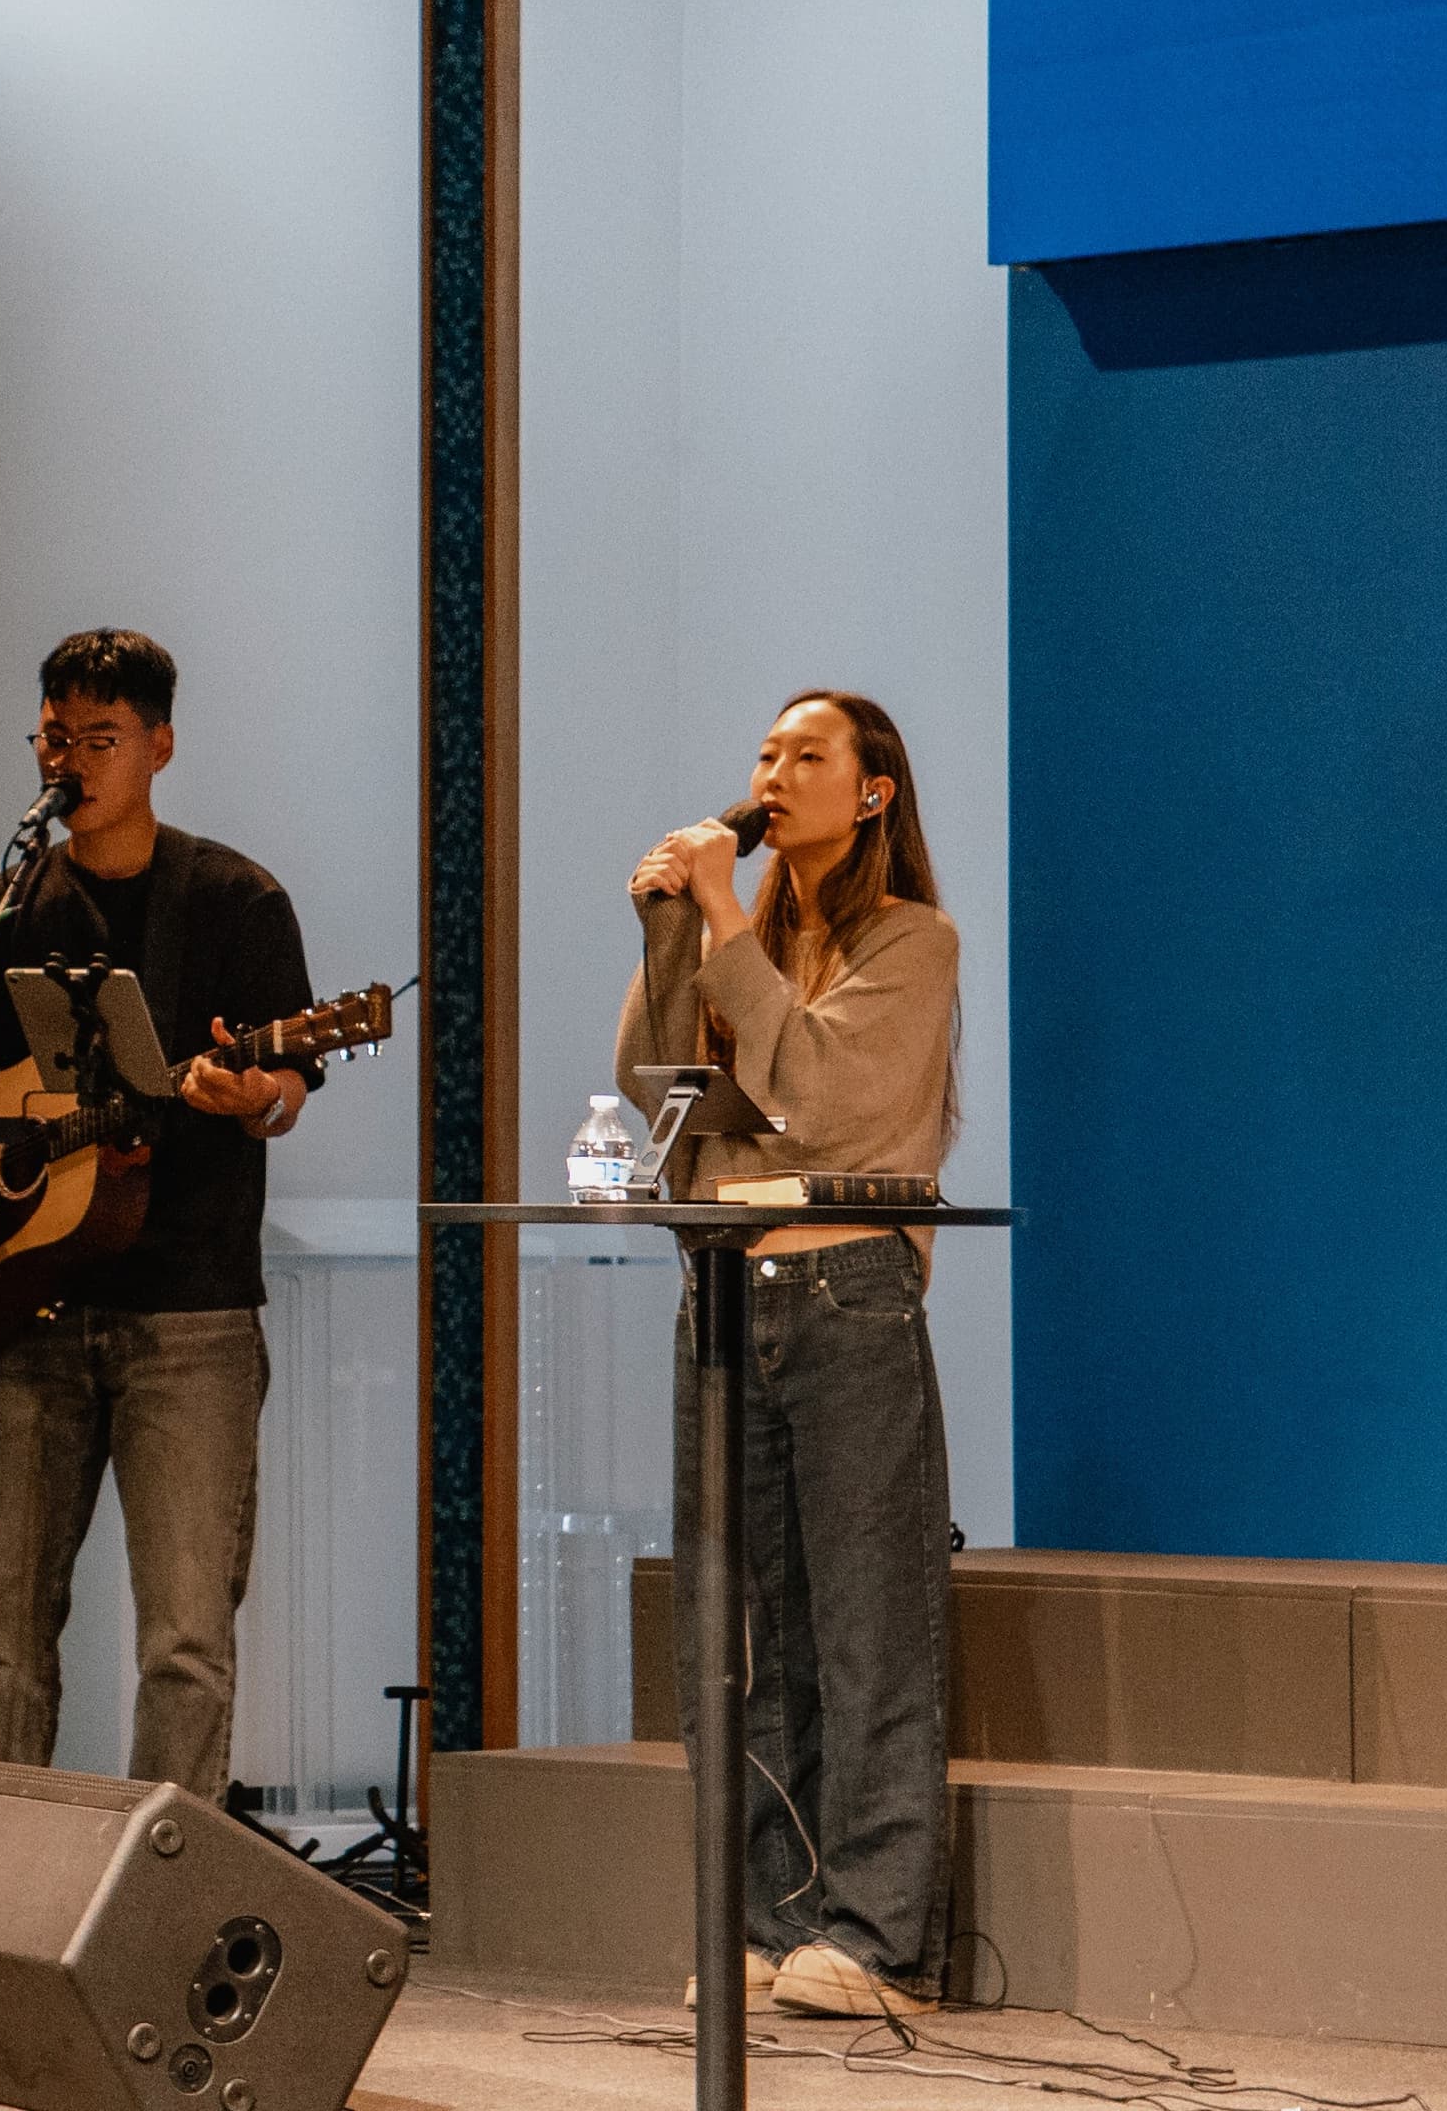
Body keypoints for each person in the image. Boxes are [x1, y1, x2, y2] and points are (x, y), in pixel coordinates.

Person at [0, 629, 317, 1798]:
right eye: (55, 738)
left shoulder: (235, 900)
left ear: (160, 745)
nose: (72, 762)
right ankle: (6, 1867)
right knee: (4, 1639)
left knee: (184, 1643)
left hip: (190, 1319)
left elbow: (288, 1085)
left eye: (100, 739)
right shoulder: (2, 910)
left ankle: (159, 1877)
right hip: (27, 1312)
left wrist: (253, 1094)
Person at [616, 688, 962, 2021]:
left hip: (848, 1293)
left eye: (808, 755)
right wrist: (669, 930)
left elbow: (815, 1098)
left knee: (869, 1625)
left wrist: (720, 916)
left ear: (872, 791)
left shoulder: (913, 940)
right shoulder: (739, 937)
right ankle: (767, 1919)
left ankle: (881, 1940)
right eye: (765, 752)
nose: (774, 773)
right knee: (740, 1629)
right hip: (724, 1287)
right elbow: (654, 1091)